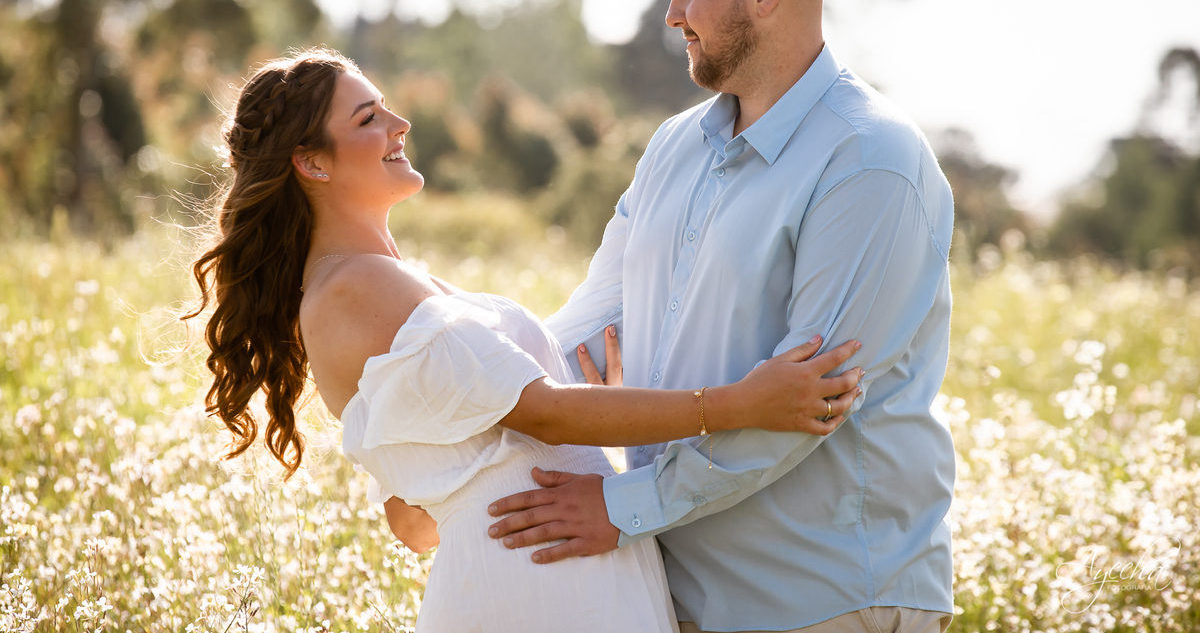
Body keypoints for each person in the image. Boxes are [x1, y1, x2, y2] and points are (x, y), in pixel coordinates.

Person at [184, 48, 866, 632]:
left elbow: (414, 519)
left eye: (386, 107)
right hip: (536, 589)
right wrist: (743, 405)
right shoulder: (356, 288)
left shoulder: (391, 282)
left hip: (552, 574)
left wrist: (576, 426)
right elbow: (539, 411)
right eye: (369, 119)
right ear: (313, 164)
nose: (401, 124)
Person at [486, 0, 956, 633]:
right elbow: (586, 329)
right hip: (667, 592)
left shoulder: (871, 161)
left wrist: (619, 506)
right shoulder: (674, 147)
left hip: (824, 600)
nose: (673, 15)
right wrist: (470, 418)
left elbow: (808, 403)